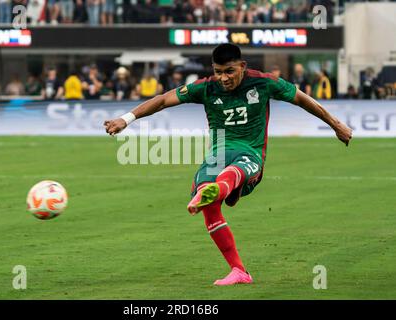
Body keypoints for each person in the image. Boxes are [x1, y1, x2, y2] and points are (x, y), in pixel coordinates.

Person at [104, 43, 352, 286]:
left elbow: (300, 98)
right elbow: (162, 99)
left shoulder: (263, 82)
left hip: (251, 154)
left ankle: (220, 190)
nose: (223, 78)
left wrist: (335, 124)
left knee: (225, 178)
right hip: (217, 154)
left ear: (242, 66)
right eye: (218, 71)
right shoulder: (206, 87)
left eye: (229, 71)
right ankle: (239, 270)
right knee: (210, 206)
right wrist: (126, 119)